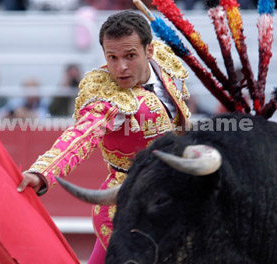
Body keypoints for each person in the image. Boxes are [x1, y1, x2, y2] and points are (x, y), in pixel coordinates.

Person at [17, 11, 191, 263]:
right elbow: (80, 136)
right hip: (129, 206)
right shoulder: (107, 99)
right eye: (112, 57)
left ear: (149, 51)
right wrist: (41, 172)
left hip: (175, 191)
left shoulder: (165, 63)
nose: (120, 67)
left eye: (130, 56)